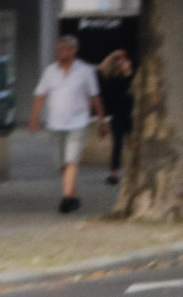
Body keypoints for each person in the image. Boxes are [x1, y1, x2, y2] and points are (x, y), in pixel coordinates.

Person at [30, 35, 101, 213]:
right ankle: (74, 196)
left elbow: (94, 97)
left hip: (78, 122)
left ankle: (66, 197)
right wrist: (34, 119)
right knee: (62, 163)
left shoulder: (85, 71)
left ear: (73, 51)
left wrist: (102, 119)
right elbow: (40, 96)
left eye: (64, 49)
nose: (60, 53)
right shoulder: (50, 71)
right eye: (58, 49)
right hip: (56, 123)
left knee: (72, 160)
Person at [97, 48, 134, 185]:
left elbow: (131, 90)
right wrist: (114, 55)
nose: (124, 62)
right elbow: (101, 69)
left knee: (133, 143)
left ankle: (132, 169)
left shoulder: (130, 76)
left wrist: (127, 72)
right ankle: (114, 172)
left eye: (125, 59)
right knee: (117, 143)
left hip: (131, 113)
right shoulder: (109, 77)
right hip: (118, 114)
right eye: (120, 60)